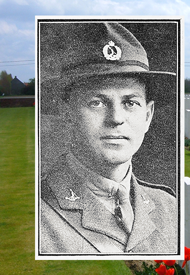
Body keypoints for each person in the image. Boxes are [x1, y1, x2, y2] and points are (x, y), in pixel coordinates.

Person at [38, 22, 178, 254]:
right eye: (97, 102)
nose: (116, 119)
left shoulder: (170, 207)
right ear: (67, 114)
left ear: (147, 116)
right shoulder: (35, 213)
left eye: (130, 102)